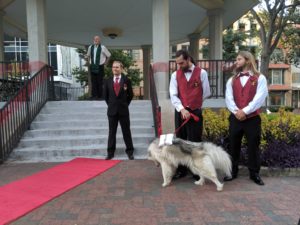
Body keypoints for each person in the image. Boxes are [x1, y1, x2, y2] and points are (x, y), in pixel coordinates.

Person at [224, 51, 268, 185]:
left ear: (248, 61)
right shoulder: (232, 80)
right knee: (233, 145)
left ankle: (254, 174)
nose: (236, 62)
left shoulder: (260, 78)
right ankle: (232, 171)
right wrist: (237, 111)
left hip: (252, 119)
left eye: (239, 59)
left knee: (253, 146)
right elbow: (228, 98)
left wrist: (245, 111)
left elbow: (259, 98)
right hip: (235, 117)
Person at [169, 49, 211, 179]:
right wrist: (182, 108)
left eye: (181, 63)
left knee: (195, 141)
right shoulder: (175, 75)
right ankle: (182, 170)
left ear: (188, 59)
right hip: (180, 112)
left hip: (195, 112)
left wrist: (194, 105)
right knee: (180, 141)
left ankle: (197, 170)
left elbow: (206, 92)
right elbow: (173, 94)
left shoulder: (202, 73)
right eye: (177, 63)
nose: (179, 66)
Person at [103, 61, 134, 160]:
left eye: (117, 67)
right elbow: (106, 96)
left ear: (121, 68)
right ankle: (110, 152)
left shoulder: (126, 80)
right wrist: (112, 105)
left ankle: (130, 151)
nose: (115, 69)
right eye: (113, 67)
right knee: (112, 132)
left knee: (126, 132)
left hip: (123, 111)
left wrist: (125, 104)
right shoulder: (108, 81)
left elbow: (131, 95)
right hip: (112, 111)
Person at [87, 35, 111, 100]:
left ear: (99, 40)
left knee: (100, 82)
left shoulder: (103, 47)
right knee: (93, 81)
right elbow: (88, 55)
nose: (96, 40)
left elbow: (109, 55)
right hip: (93, 66)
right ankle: (94, 96)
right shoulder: (90, 47)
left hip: (100, 66)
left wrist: (105, 63)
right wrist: (89, 62)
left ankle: (101, 96)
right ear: (93, 40)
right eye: (95, 39)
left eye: (97, 39)